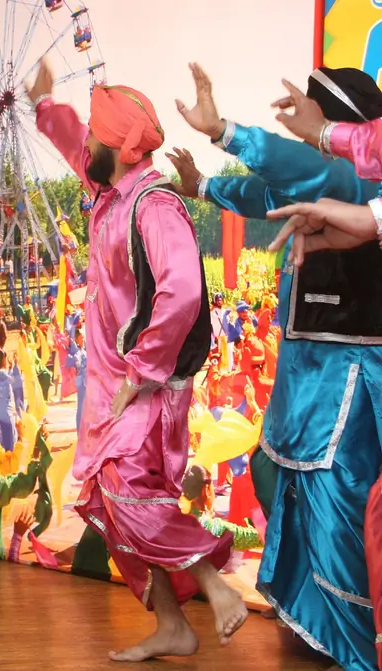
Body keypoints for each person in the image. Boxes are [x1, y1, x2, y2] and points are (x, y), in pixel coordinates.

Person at [28, 59, 245, 662]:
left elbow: (182, 291)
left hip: (146, 387)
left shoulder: (153, 206)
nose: (87, 144)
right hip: (112, 386)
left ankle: (213, 582)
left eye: (98, 134)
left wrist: (141, 372)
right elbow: (79, 146)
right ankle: (174, 625)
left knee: (128, 493)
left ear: (121, 148)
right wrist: (47, 107)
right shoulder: (108, 185)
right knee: (110, 505)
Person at [172, 63, 382, 670]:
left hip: (344, 377)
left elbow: (302, 167)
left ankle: (357, 640)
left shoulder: (350, 174)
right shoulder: (329, 176)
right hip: (311, 371)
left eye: (314, 118)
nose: (303, 128)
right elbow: (263, 194)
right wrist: (203, 187)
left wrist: (227, 132)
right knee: (287, 477)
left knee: (336, 497)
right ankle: (321, 624)